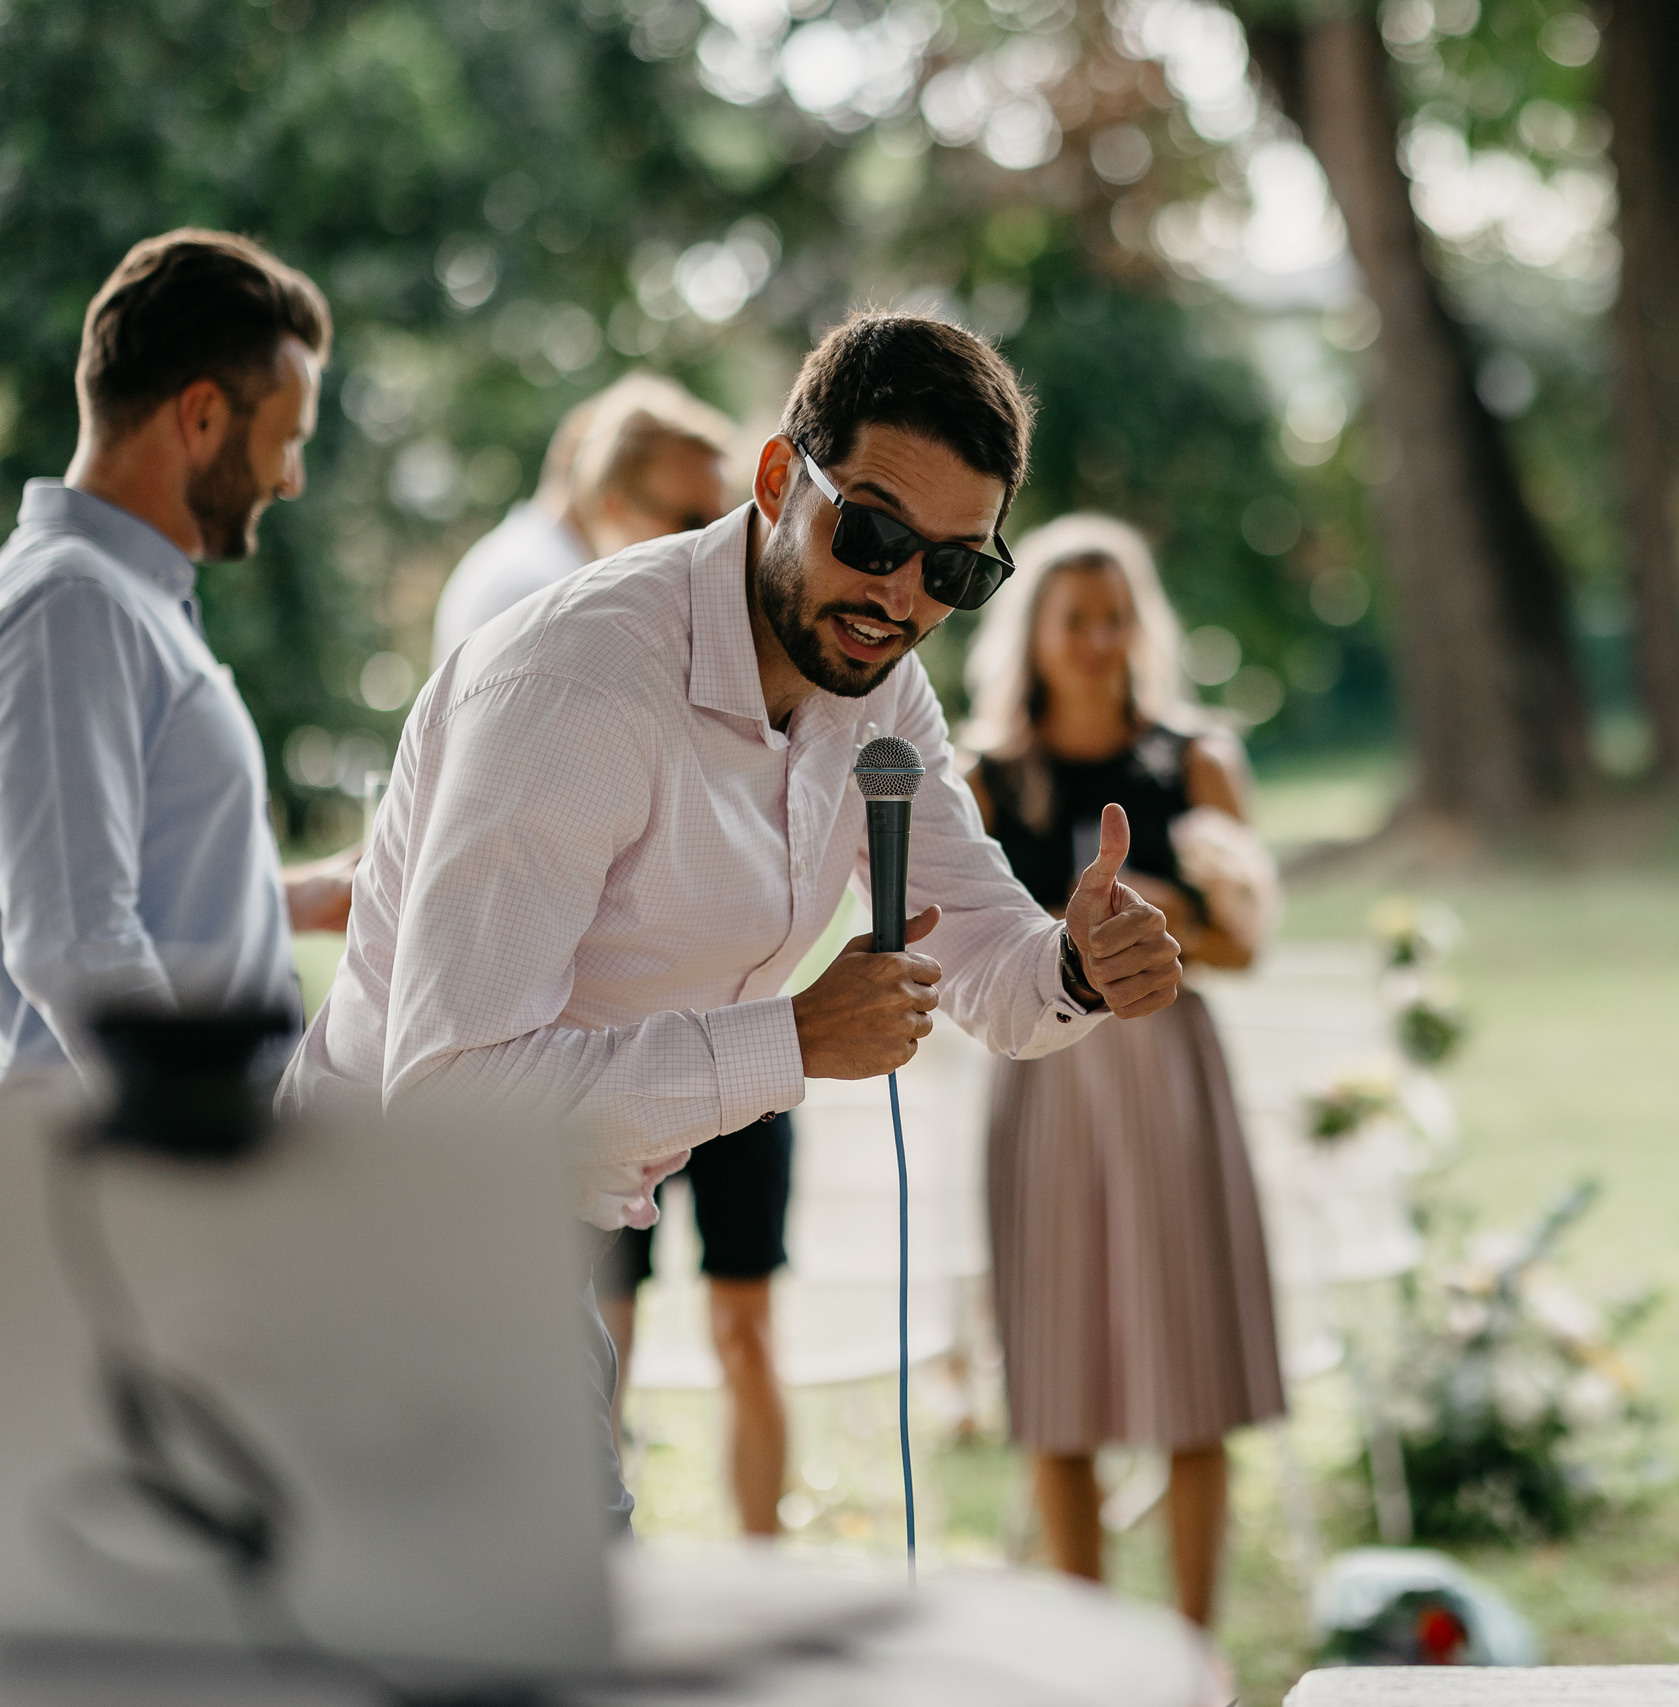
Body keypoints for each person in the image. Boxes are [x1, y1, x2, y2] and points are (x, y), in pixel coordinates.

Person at [280, 312, 1185, 1528]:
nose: (899, 595)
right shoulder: (577, 686)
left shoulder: (881, 687)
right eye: (870, 532)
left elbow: (976, 940)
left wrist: (1076, 964)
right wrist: (793, 1040)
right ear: (776, 480)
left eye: (954, 570)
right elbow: (448, 1100)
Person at [429, 376, 786, 1536]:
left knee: (727, 1320)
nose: (714, 549)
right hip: (576, 1056)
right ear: (608, 494)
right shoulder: (547, 609)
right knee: (591, 1339)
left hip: (701, 1012)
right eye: (686, 519)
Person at [960, 514, 1286, 1630]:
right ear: (1033, 634)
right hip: (1044, 1083)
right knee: (1057, 1375)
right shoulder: (988, 780)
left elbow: (1247, 946)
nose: (1099, 641)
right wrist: (1069, 940)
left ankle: (1195, 1660)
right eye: (1075, 620)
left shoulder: (1194, 759)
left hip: (1168, 1074)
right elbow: (959, 950)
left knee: (1190, 1365)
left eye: (1116, 619)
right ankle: (1088, 1660)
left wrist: (1176, 908)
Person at [0, 229, 357, 1085]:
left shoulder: (124, 602)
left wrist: (301, 898)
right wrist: (209, 1162)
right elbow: (75, 943)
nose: (291, 478)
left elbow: (119, 885)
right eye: (289, 438)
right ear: (201, 415)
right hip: (130, 1189)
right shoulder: (74, 607)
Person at [431, 372, 735, 663]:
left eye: (722, 524)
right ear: (614, 502)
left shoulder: (549, 569)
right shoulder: (535, 590)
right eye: (695, 523)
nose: (707, 545)